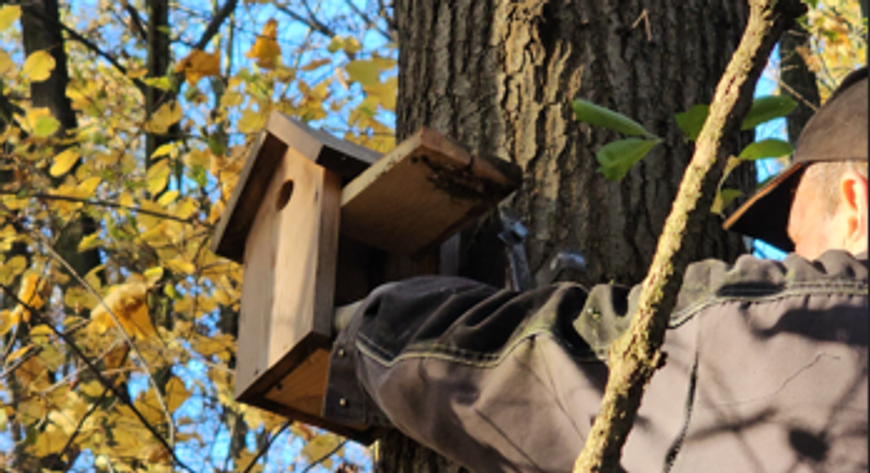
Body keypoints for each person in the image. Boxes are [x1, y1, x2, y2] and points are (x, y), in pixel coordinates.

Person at [322, 69, 868, 473]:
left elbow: (534, 364)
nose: (795, 264)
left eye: (801, 241)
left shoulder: (796, 324)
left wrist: (366, 328)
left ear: (856, 203)